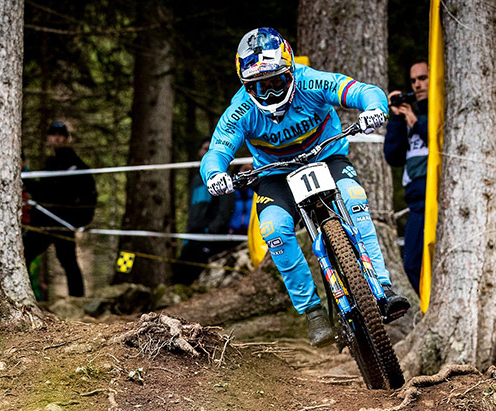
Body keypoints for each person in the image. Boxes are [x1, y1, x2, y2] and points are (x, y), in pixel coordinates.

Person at [200, 27, 409, 347]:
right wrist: (215, 175)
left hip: (326, 157)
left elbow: (361, 90)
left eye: (275, 83)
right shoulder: (241, 109)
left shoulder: (310, 81)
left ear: (290, 73)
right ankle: (312, 311)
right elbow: (217, 151)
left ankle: (382, 288)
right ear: (246, 86)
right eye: (258, 87)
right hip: (275, 175)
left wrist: (374, 108)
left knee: (355, 200)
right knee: (274, 229)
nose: (268, 94)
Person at [23, 122, 97, 298]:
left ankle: (76, 301)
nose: (57, 137)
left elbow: (50, 191)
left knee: (63, 260)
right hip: (51, 219)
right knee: (32, 256)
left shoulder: (73, 163)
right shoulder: (52, 162)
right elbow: (46, 190)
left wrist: (26, 176)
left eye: (61, 134)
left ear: (67, 138)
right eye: (53, 134)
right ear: (47, 138)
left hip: (58, 221)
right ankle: (74, 300)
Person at [383, 60, 429, 294]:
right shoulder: (409, 113)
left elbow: (439, 138)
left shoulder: (444, 108)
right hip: (416, 203)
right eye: (413, 81)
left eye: (423, 78)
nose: (417, 85)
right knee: (411, 264)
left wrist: (415, 121)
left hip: (440, 199)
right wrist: (397, 118)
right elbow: (393, 156)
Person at [173, 137, 235, 285]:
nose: (205, 152)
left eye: (209, 149)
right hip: (193, 236)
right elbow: (192, 209)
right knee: (180, 272)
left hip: (211, 237)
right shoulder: (195, 180)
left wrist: (212, 229)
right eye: (204, 148)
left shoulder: (222, 176)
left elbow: (226, 209)